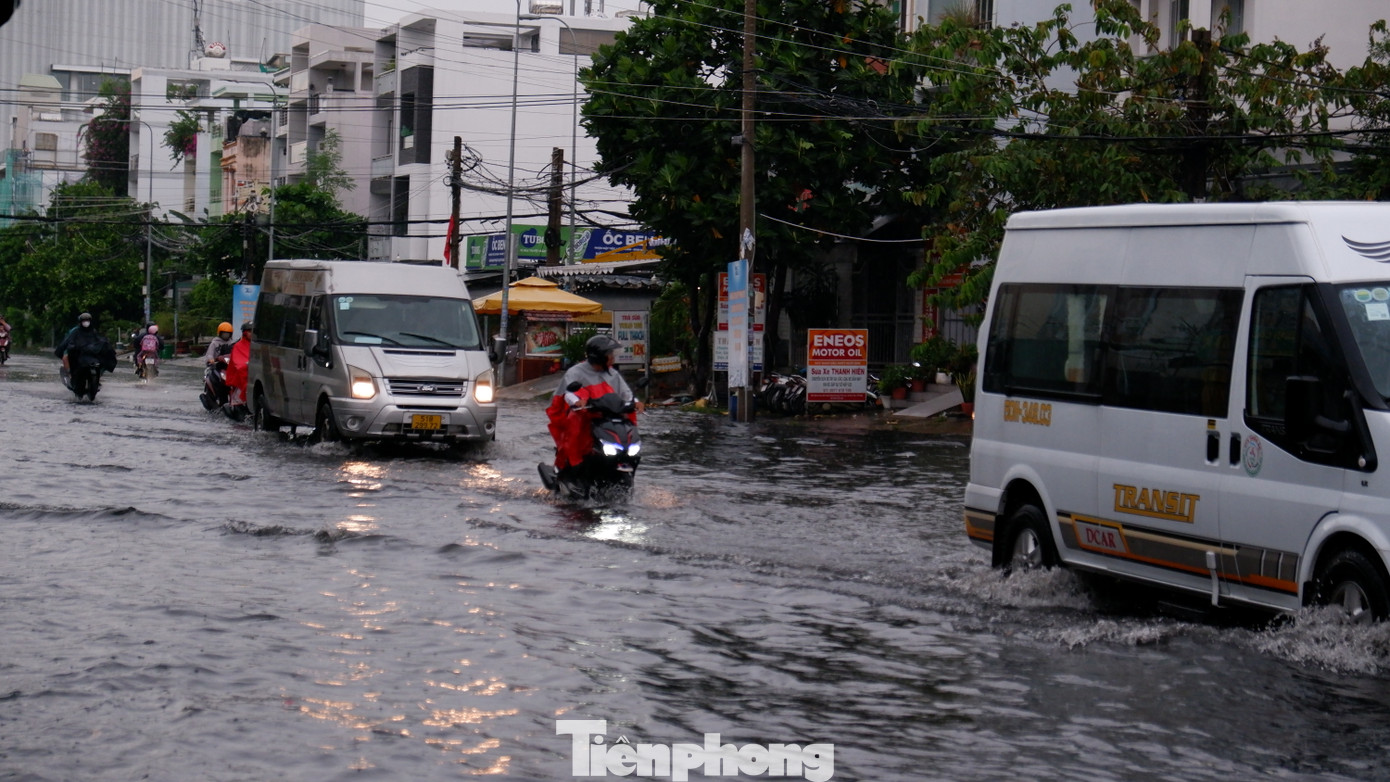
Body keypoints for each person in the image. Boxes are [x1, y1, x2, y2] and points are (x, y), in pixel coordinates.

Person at [546, 334, 642, 471]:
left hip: (608, 418)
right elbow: (569, 393)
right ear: (600, 356)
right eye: (610, 354)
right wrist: (578, 402)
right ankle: (570, 468)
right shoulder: (575, 372)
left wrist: (636, 402)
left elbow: (626, 393)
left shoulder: (612, 373)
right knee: (574, 434)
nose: (613, 357)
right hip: (584, 416)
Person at [54, 312, 117, 396]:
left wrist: (103, 346)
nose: (86, 322)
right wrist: (71, 347)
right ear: (80, 321)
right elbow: (68, 341)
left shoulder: (93, 331)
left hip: (90, 355)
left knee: (102, 360)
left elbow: (99, 340)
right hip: (77, 353)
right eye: (84, 320)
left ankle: (98, 378)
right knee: (66, 357)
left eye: (87, 320)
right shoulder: (75, 331)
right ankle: (70, 375)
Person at [224, 320, 252, 408]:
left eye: (253, 331)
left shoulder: (258, 345)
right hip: (241, 378)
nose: (251, 333)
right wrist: (246, 365)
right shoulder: (238, 346)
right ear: (245, 332)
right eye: (249, 331)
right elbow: (239, 362)